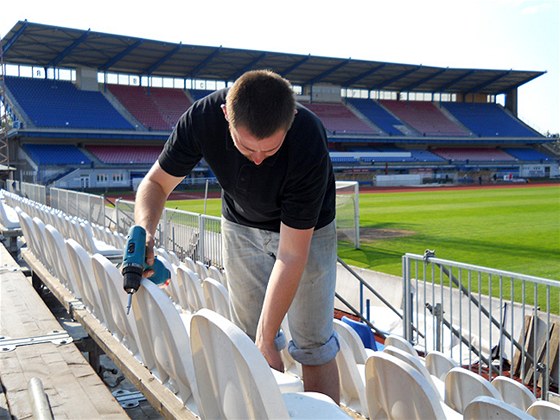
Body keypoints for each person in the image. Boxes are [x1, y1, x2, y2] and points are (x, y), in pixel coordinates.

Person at [133, 69, 340, 402]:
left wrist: (268, 335)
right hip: (241, 225)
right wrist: (144, 230)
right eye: (246, 147)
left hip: (309, 233)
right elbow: (155, 184)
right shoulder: (201, 118)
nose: (258, 160)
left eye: (270, 150)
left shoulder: (307, 137)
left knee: (314, 345)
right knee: (249, 340)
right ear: (226, 115)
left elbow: (291, 254)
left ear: (290, 122)